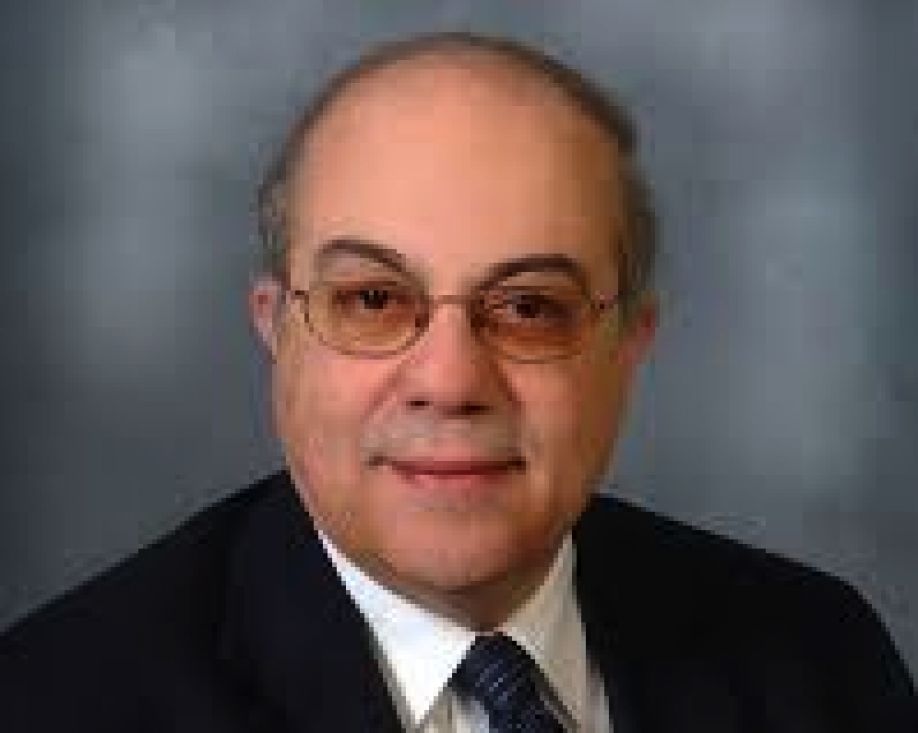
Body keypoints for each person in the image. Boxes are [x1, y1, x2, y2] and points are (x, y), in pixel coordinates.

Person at [1, 31, 914, 732]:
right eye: (372, 299)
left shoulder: (819, 664)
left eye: (529, 307)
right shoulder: (56, 700)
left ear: (631, 344)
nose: (448, 380)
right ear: (276, 327)